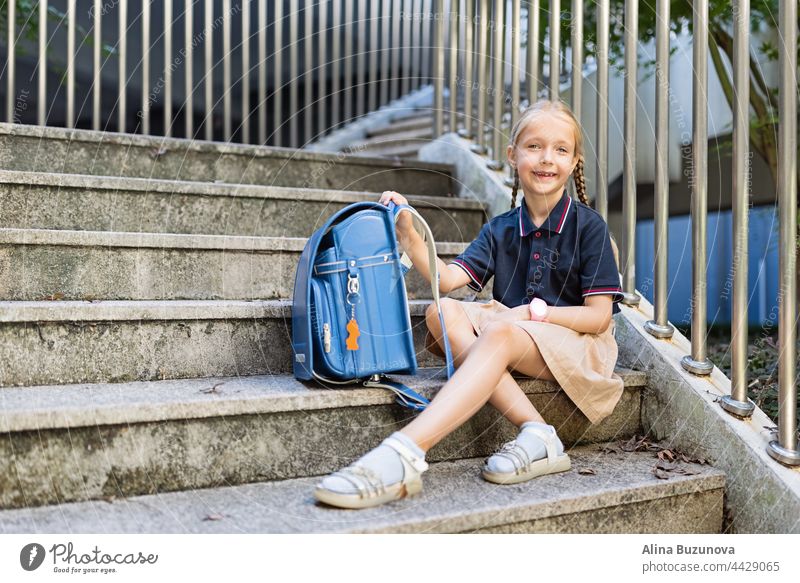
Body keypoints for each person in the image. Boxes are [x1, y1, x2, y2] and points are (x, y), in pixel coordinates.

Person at [313, 99, 625, 510]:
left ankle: (405, 452)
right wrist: (409, 235)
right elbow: (447, 280)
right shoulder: (500, 229)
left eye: (560, 149)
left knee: (499, 330)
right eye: (534, 147)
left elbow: (599, 317)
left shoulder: (589, 226)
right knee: (440, 312)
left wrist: (534, 313)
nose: (547, 158)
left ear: (574, 161)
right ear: (512, 156)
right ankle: (537, 431)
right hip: (513, 336)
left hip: (577, 342)